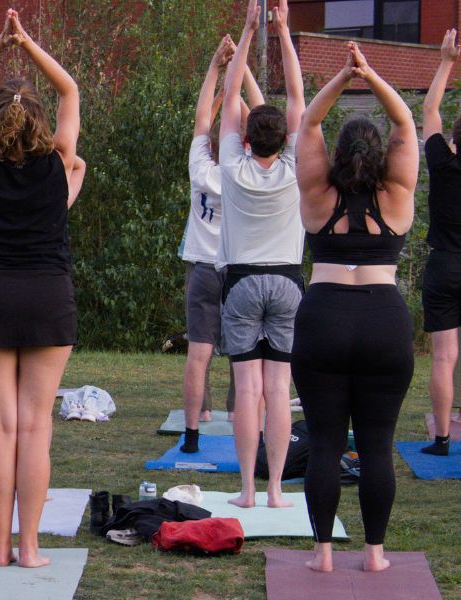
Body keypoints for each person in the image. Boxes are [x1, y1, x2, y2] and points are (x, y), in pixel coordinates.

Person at [0, 8, 83, 568]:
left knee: (0, 427)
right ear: (37, 119)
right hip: (47, 295)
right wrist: (27, 45)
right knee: (36, 427)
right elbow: (70, 88)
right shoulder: (60, 162)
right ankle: (29, 549)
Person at [294, 43, 416, 573]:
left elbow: (308, 124)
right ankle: (374, 556)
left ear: (338, 156)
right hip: (383, 320)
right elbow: (406, 120)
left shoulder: (318, 191)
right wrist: (370, 73)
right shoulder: (398, 190)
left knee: (324, 440)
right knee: (376, 443)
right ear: (381, 155)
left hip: (323, 316)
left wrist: (343, 77)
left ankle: (322, 554)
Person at [215, 0, 305, 509]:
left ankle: (248, 490)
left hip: (243, 281)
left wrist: (250, 31)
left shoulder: (232, 163)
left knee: (247, 391)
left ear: (246, 139)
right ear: (285, 139)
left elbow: (230, 95)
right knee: (279, 389)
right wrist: (284, 30)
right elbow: (295, 93)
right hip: (288, 283)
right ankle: (274, 490)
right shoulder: (295, 164)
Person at [179, 36, 265, 454]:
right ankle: (242, 427)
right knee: (243, 357)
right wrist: (242, 69)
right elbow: (261, 119)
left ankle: (192, 436)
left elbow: (202, 121)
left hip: (202, 269)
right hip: (238, 269)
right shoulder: (246, 173)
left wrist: (216, 67)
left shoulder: (202, 170)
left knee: (199, 353)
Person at [421, 29, 461, 457]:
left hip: (445, 265)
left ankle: (443, 441)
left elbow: (429, 107)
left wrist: (447, 60)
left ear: (454, 142)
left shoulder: (443, 164)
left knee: (444, 358)